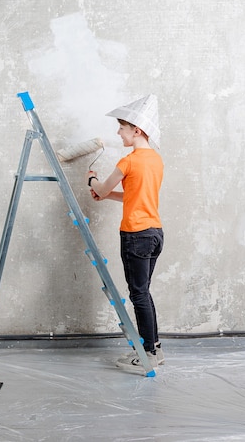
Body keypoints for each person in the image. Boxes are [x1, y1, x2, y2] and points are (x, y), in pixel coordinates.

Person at [86, 94, 165, 374]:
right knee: (144, 292)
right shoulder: (156, 160)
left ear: (137, 130)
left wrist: (91, 179)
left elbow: (103, 187)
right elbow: (134, 196)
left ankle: (148, 354)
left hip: (136, 235)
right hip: (155, 233)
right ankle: (154, 346)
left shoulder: (128, 161)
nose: (118, 133)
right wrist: (105, 197)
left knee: (139, 294)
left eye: (122, 127)